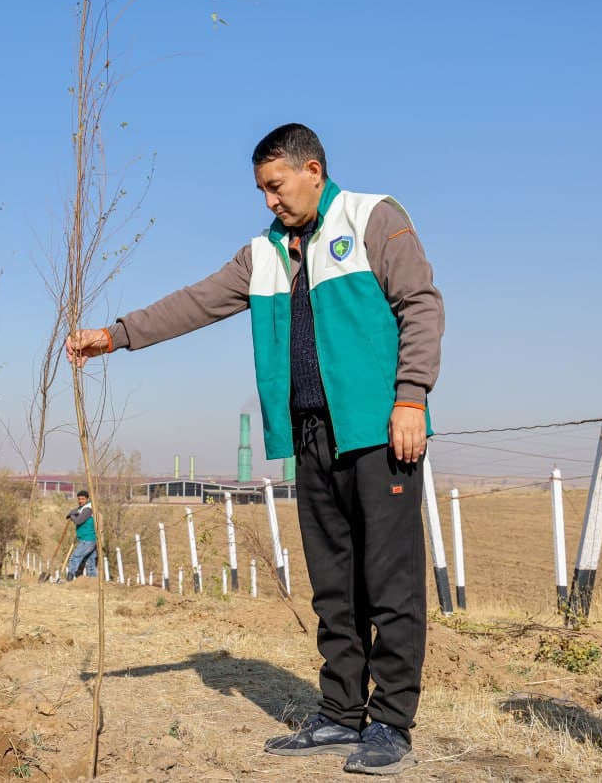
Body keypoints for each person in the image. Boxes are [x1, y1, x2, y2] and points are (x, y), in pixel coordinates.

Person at [66, 124, 443, 776]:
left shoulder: (374, 217)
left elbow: (422, 305)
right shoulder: (261, 254)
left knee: (390, 583)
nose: (269, 200)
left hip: (380, 433)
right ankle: (340, 712)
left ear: (313, 170)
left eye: (276, 185)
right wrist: (115, 335)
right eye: (261, 189)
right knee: (334, 587)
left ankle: (390, 723)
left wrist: (411, 397)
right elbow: (194, 303)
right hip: (310, 438)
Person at [64, 489, 97, 580]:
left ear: (87, 499)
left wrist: (72, 516)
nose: (80, 501)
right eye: (79, 499)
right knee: (90, 561)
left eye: (82, 499)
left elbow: (78, 521)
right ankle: (93, 580)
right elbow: (73, 512)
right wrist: (71, 514)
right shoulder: (83, 507)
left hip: (88, 539)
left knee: (75, 557)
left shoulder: (88, 509)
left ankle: (70, 578)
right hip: (87, 539)